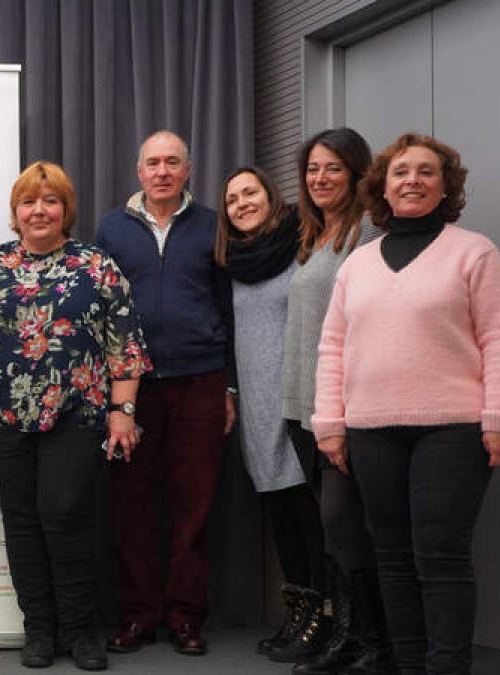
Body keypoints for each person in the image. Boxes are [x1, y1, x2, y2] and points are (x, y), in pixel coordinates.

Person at [313, 133, 500, 675]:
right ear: (383, 186)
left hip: (453, 430)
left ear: (445, 185)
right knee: (392, 559)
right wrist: (330, 424)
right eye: (401, 171)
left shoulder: (474, 252)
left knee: (440, 555)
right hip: (370, 430)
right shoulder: (357, 265)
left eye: (426, 172)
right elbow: (333, 346)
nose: (412, 180)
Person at [0, 160, 151, 671]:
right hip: (0, 417)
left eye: (51, 200)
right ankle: (37, 629)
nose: (40, 210)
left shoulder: (96, 266)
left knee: (66, 516)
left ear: (65, 210)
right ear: (16, 211)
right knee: (21, 523)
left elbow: (125, 347)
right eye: (30, 201)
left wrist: (123, 411)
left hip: (76, 415)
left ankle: (81, 630)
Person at [95, 130, 234, 656]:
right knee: (130, 504)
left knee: (193, 505)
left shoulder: (211, 227)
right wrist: (112, 398)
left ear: (188, 169)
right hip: (132, 388)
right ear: (138, 171)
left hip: (199, 381)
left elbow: (227, 308)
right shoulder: (112, 228)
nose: (162, 171)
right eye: (152, 162)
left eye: (172, 162)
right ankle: (137, 616)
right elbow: (101, 313)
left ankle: (185, 617)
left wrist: (228, 385)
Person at [278, 128, 396, 675]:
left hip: (343, 409)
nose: (320, 179)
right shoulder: (315, 235)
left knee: (348, 527)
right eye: (313, 169)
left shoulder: (369, 233)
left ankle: (375, 643)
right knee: (334, 531)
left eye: (333, 169)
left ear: (356, 173)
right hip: (304, 406)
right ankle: (349, 637)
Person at [215, 167, 328, 659]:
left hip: (303, 402)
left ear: (271, 195)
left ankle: (328, 621)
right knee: (281, 516)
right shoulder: (230, 264)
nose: (242, 203)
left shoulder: (303, 243)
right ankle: (298, 615)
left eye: (250, 193)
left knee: (315, 516)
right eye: (233, 198)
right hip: (258, 407)